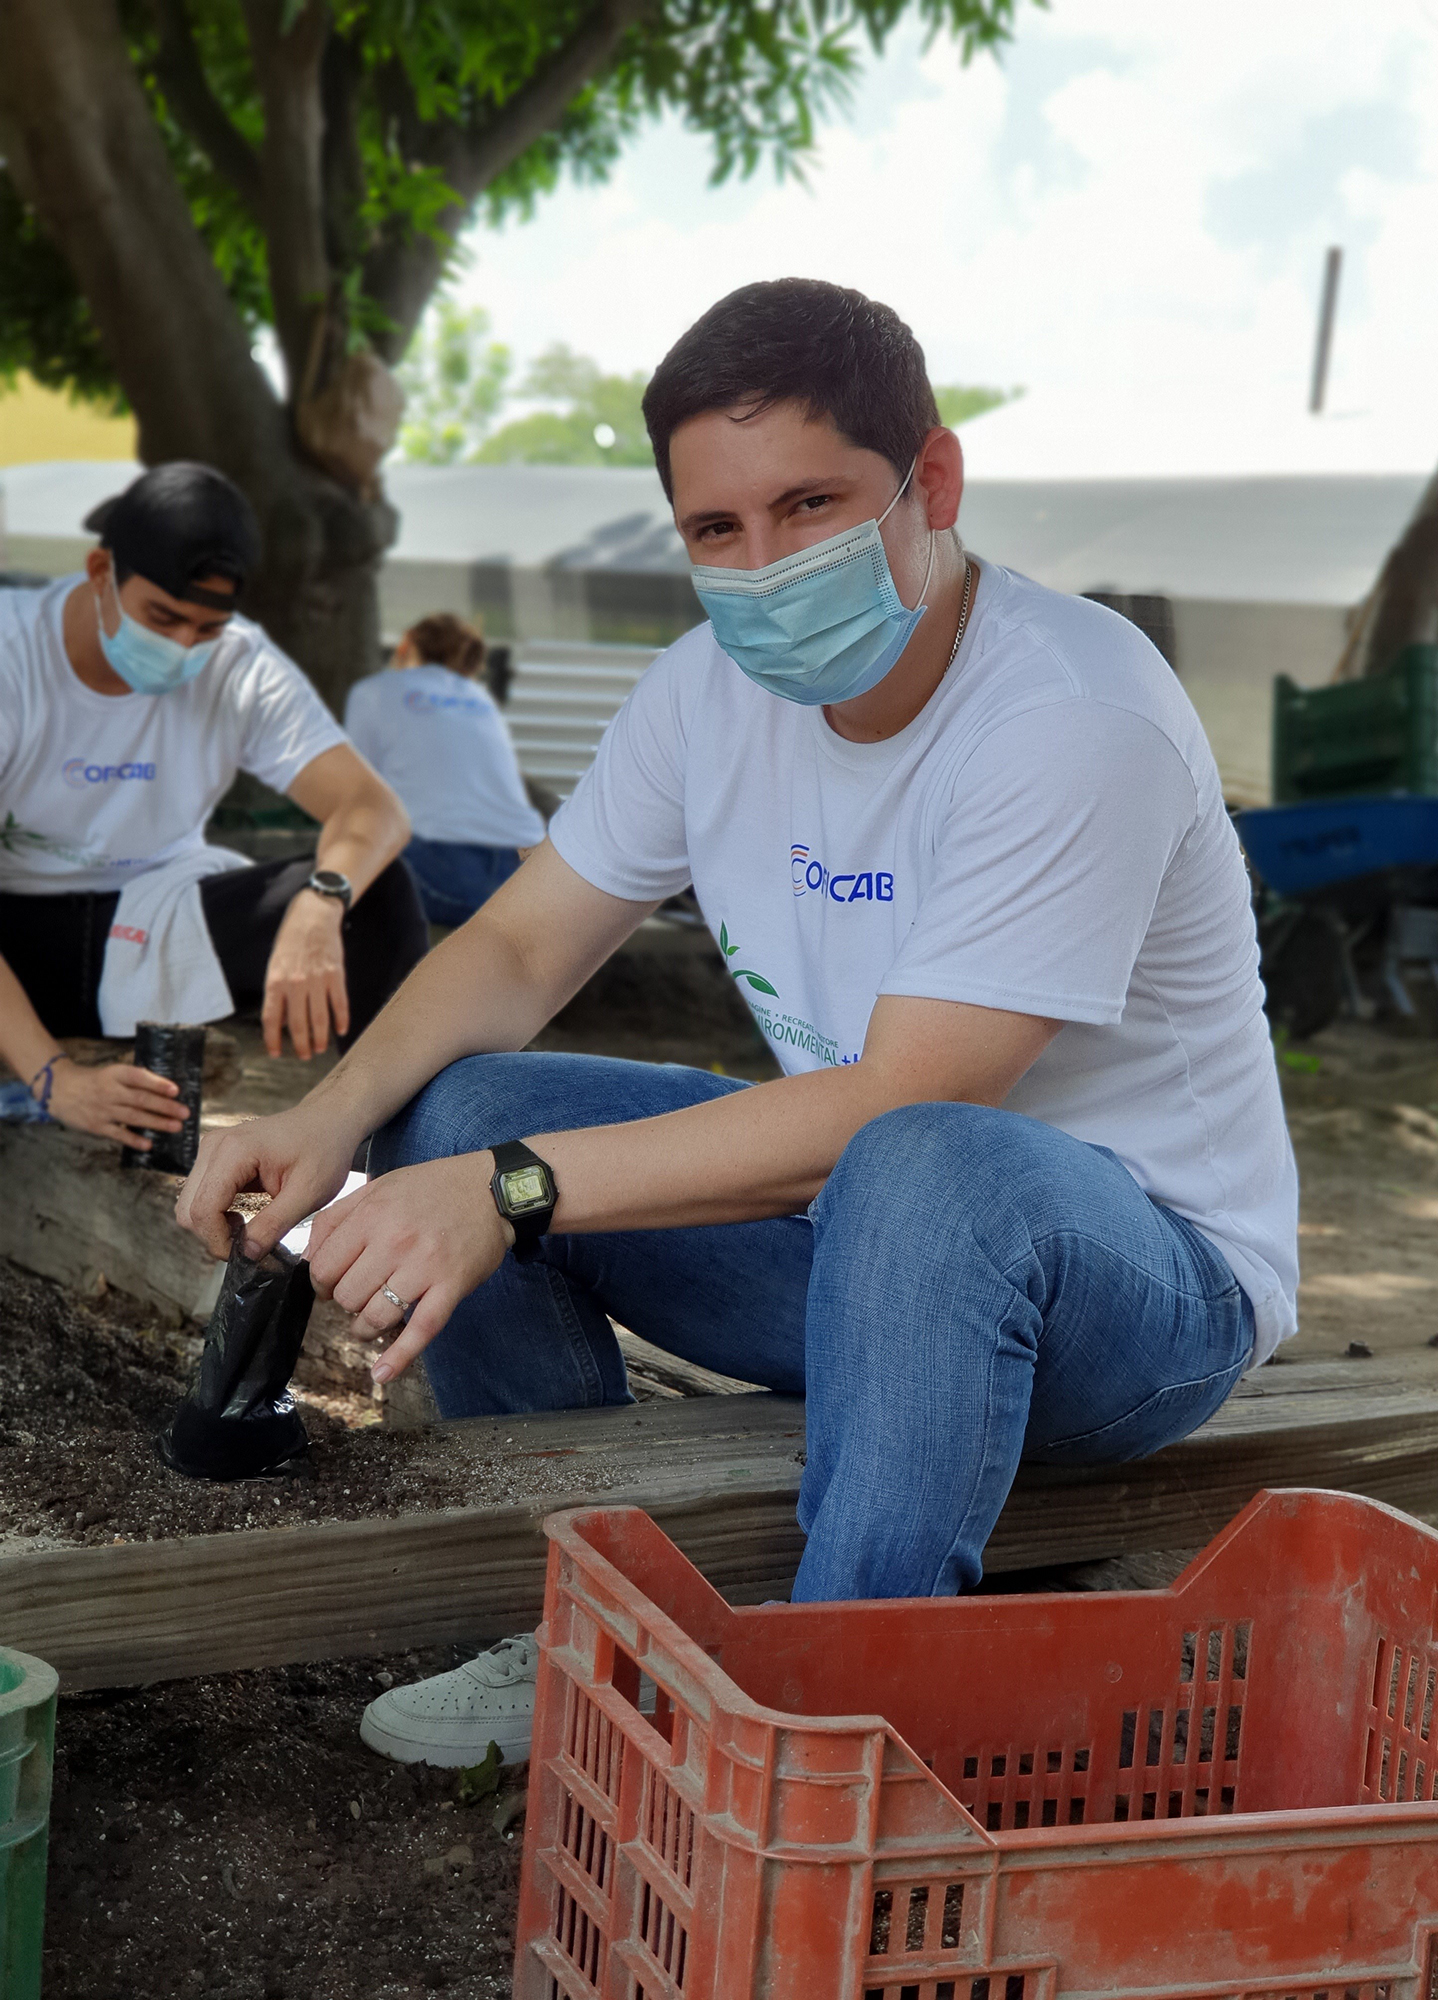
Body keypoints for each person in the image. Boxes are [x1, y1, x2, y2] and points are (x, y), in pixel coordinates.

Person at [177, 279, 1299, 1768]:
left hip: (1140, 1300)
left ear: (933, 482)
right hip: (862, 1255)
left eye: (811, 505)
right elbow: (517, 940)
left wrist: (511, 1191)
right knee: (452, 1100)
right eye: (718, 531)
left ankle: (825, 1740)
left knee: (919, 1162)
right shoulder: (705, 693)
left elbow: (903, 1097)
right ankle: (583, 1629)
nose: (764, 568)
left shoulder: (1073, 712)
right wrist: (323, 1116)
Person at [0, 461, 427, 1150]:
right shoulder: (11, 653)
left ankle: (392, 1157)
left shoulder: (238, 665)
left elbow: (371, 809)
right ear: (99, 571)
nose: (179, 647)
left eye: (205, 628)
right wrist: (55, 1078)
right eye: (162, 618)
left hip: (149, 921)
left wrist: (321, 903)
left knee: (373, 897)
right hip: (16, 941)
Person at [344, 612, 546, 928]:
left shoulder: (374, 690)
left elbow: (356, 790)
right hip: (527, 879)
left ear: (406, 645)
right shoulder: (479, 698)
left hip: (439, 871)